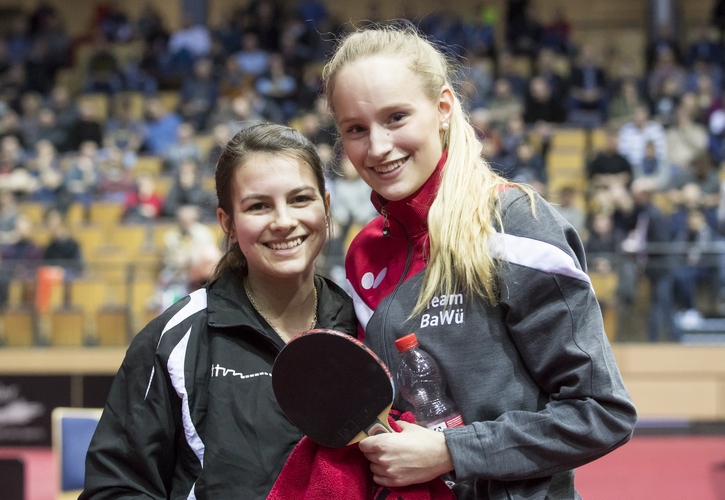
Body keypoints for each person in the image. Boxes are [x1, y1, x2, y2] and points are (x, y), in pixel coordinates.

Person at [322, 24, 636, 498]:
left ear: (443, 108)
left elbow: (600, 411)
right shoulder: (365, 253)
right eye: (356, 129)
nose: (378, 146)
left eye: (396, 117)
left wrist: (454, 451)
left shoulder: (516, 225)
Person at [80, 123, 357, 499]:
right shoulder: (173, 340)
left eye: (300, 199)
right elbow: (115, 488)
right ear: (227, 222)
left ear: (325, 207)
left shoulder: (363, 323)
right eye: (258, 206)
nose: (283, 221)